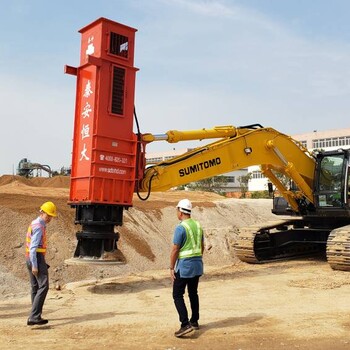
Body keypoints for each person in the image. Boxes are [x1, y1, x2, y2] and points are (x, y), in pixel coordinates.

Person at [170, 199, 204, 338]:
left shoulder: (181, 227)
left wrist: (171, 267)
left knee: (177, 294)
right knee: (193, 293)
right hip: (197, 265)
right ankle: (194, 321)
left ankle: (185, 324)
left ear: (180, 211)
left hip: (185, 266)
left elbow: (175, 249)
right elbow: (201, 246)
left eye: (177, 210)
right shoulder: (198, 225)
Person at [25, 201, 57, 326]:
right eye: (48, 215)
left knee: (35, 287)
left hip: (30, 257)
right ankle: (34, 316)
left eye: (51, 216)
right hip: (35, 258)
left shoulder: (35, 223)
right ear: (42, 212)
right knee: (43, 286)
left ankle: (34, 314)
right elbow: (33, 248)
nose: (49, 218)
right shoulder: (39, 226)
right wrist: (35, 265)